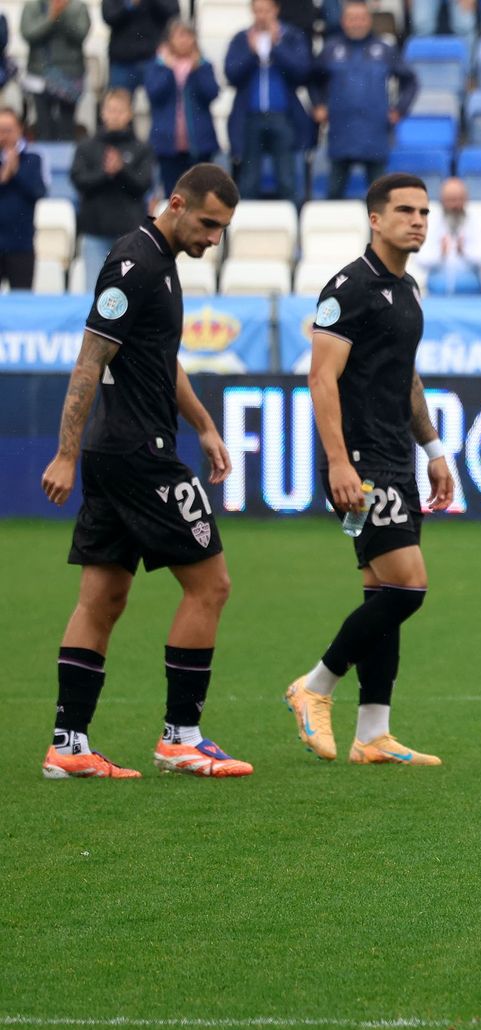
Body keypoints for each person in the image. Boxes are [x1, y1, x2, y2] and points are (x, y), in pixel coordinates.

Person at [39, 163, 248, 780]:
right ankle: (181, 736)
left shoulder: (162, 264)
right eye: (208, 223)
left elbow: (159, 359)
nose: (214, 238)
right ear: (176, 204)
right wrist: (64, 452)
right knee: (211, 585)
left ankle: (67, 745)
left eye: (223, 229)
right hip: (139, 456)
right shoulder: (135, 265)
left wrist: (205, 425)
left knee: (103, 596)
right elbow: (90, 359)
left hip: (120, 454)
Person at [285, 172, 456, 768]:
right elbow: (320, 377)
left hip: (397, 456)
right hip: (361, 460)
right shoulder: (348, 288)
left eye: (424, 212)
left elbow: (404, 377)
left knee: (383, 592)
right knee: (409, 586)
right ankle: (315, 685)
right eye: (405, 210)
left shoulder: (408, 291)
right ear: (375, 219)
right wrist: (337, 461)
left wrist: (433, 450)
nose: (418, 221)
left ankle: (373, 733)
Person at [311, 0, 417, 201]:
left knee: (379, 199)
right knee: (334, 195)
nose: (356, 23)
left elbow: (410, 81)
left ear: (369, 20)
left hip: (374, 133)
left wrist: (399, 109)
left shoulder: (384, 49)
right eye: (352, 19)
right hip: (341, 133)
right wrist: (318, 105)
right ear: (343, 21)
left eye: (361, 18)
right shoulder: (331, 49)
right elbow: (313, 80)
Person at [224, 0, 313, 203]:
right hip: (250, 118)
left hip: (283, 116)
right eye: (258, 10)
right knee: (249, 181)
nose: (262, 15)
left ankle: (291, 228)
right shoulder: (241, 38)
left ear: (276, 10)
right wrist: (251, 53)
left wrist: (278, 47)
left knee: (287, 180)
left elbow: (302, 72)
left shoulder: (291, 36)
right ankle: (246, 229)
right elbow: (231, 75)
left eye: (266, 10)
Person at [71, 88, 156, 271]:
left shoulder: (141, 149)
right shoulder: (87, 147)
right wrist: (105, 173)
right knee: (95, 291)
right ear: (102, 112)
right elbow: (79, 181)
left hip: (129, 233)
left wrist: (121, 170)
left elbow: (143, 185)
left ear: (129, 115)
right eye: (110, 110)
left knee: (129, 291)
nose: (114, 115)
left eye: (120, 111)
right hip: (94, 231)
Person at [144, 21, 221, 197]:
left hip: (200, 144)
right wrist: (168, 70)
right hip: (167, 143)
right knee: (172, 195)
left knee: (200, 195)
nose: (184, 41)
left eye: (188, 36)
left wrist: (197, 69)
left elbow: (211, 93)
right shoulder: (157, 66)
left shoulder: (204, 65)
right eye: (179, 36)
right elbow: (154, 93)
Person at [21, 0, 90, 141]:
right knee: (43, 124)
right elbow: (29, 34)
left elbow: (80, 35)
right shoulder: (32, 6)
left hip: (70, 73)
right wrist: (51, 17)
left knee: (67, 124)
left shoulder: (79, 7)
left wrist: (61, 15)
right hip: (39, 73)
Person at [415, 176, 481, 295]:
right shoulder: (429, 223)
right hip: (437, 293)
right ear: (442, 200)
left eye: (459, 199)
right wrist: (440, 253)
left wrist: (465, 251)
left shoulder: (479, 222)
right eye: (451, 200)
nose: (455, 205)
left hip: (473, 294)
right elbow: (421, 259)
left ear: (466, 199)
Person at [0, 108, 49, 290]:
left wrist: (16, 171)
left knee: (22, 301)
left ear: (20, 129)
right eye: (0, 130)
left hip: (21, 244)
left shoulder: (33, 159)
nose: (3, 135)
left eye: (8, 130)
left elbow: (39, 191)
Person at [102, 0, 179, 93]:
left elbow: (173, 12)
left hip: (154, 58)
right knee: (119, 101)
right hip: (122, 59)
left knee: (160, 99)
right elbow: (108, 16)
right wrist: (130, 4)